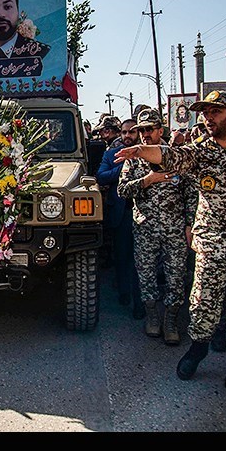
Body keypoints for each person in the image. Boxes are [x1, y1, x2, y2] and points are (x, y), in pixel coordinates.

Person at [114, 90, 226, 408]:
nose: (208, 118)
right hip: (211, 244)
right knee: (202, 303)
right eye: (205, 113)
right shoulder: (199, 152)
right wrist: (142, 150)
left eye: (214, 112)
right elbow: (172, 157)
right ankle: (197, 350)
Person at [117, 109, 196, 345]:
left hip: (175, 229)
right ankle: (152, 317)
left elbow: (191, 194)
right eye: (141, 130)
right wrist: (148, 180)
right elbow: (122, 191)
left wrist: (190, 224)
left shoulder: (175, 156)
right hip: (145, 228)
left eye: (149, 129)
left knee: (176, 277)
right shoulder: (133, 160)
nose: (144, 135)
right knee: (146, 275)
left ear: (160, 130)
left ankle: (171, 321)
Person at [97, 119, 143, 319]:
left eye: (131, 132)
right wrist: (125, 165)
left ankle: (141, 302)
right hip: (122, 213)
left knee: (143, 261)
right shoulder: (110, 155)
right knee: (123, 258)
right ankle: (125, 294)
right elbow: (101, 176)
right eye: (124, 133)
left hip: (146, 214)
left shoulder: (150, 154)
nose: (127, 136)